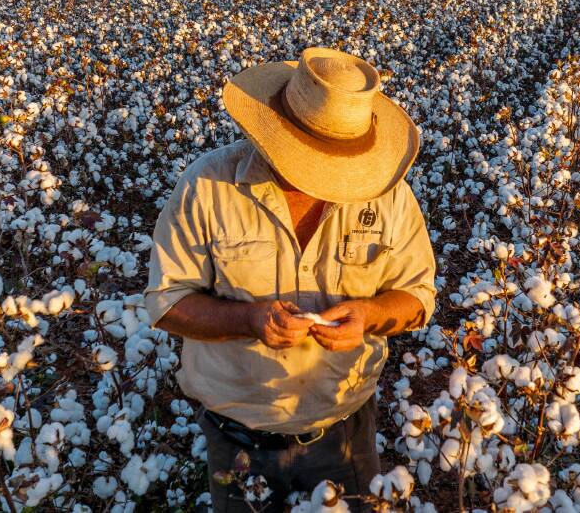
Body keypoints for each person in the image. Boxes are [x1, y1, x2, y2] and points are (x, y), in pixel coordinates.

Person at [144, 47, 437, 511]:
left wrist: (371, 314)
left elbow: (417, 295)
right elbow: (168, 302)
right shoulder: (208, 186)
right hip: (237, 439)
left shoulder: (388, 198)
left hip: (344, 434)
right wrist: (250, 320)